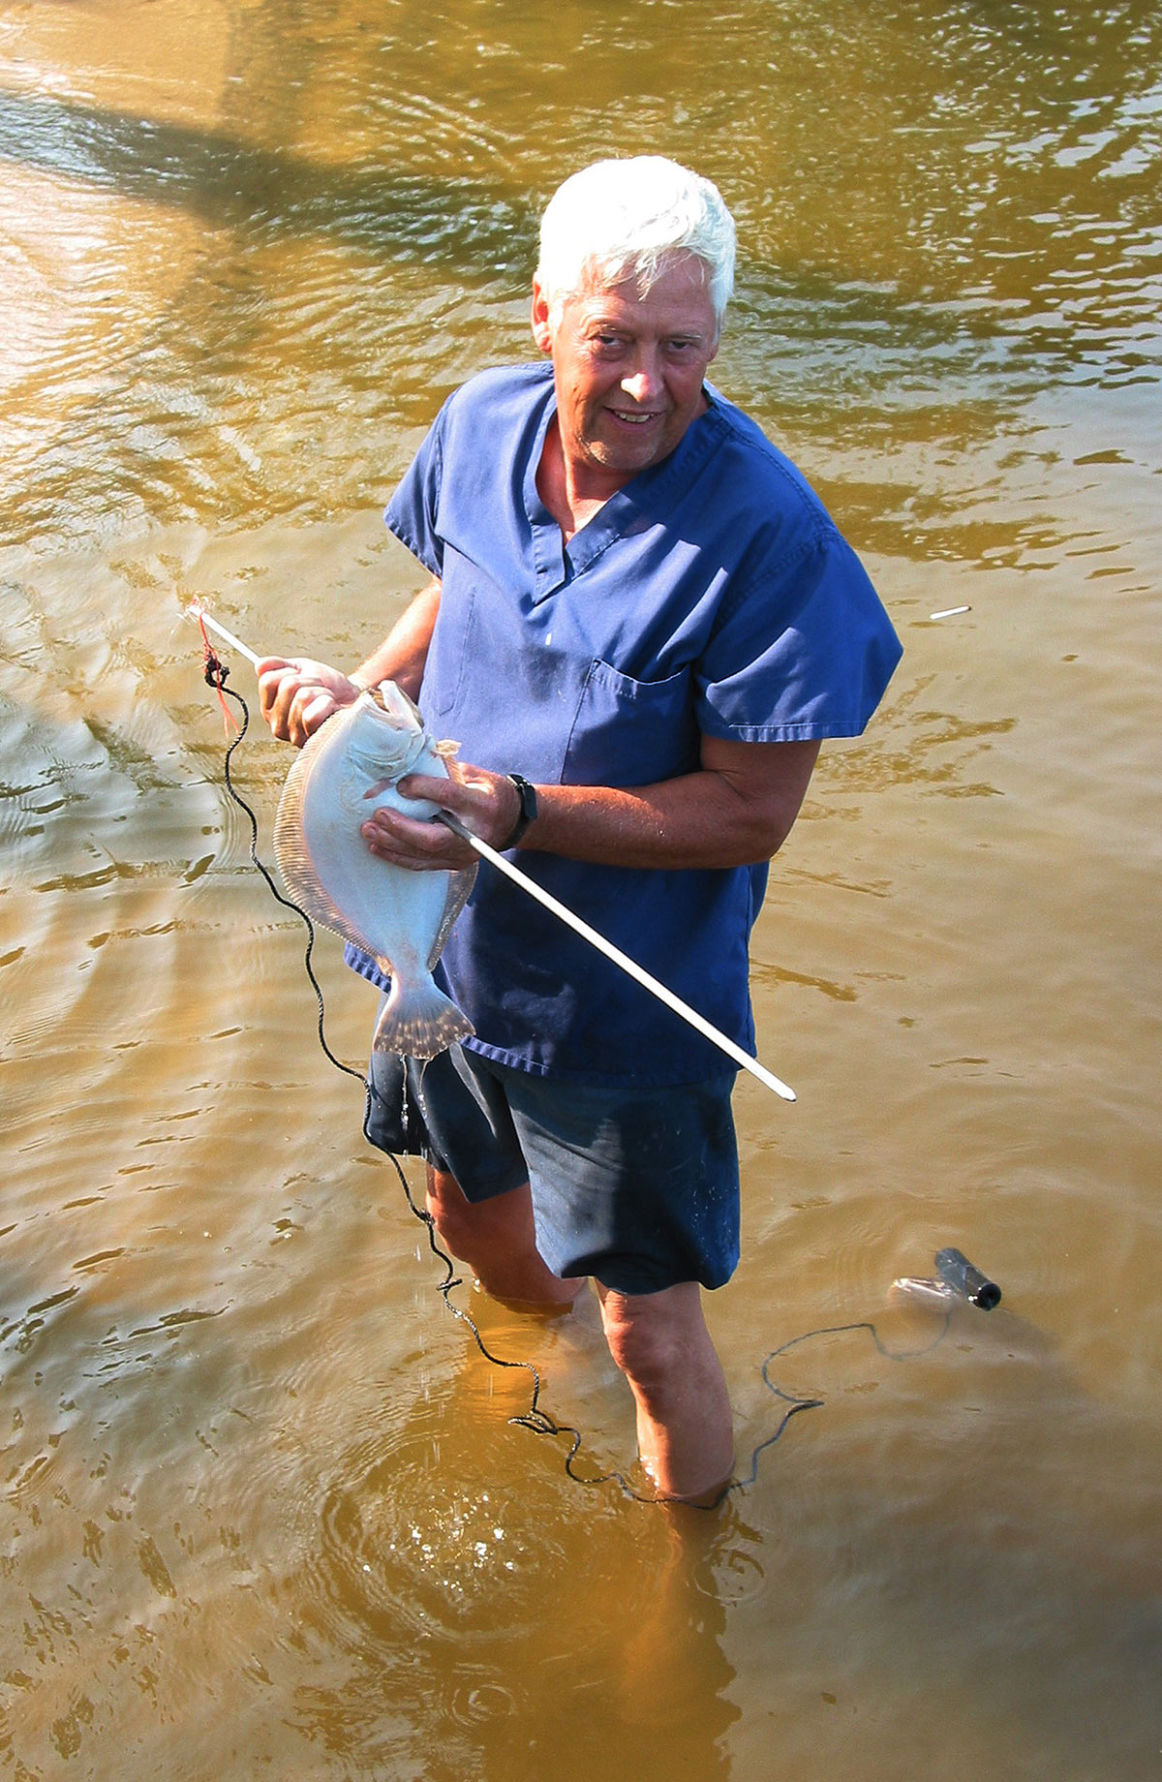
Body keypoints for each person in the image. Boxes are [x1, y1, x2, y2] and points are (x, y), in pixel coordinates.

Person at [258, 156, 901, 1505]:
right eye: (611, 340)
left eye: (682, 346)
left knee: (649, 1330)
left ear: (716, 335)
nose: (646, 384)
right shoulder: (480, 426)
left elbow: (750, 811)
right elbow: (458, 588)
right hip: (438, 953)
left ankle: (688, 1574)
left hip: (624, 1006)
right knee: (466, 1213)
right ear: (543, 316)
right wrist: (358, 703)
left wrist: (517, 811)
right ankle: (543, 1361)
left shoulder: (771, 540)